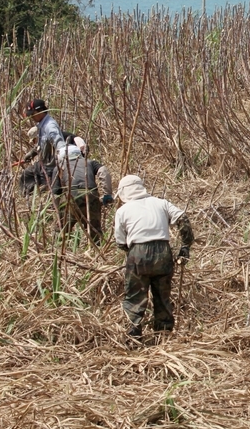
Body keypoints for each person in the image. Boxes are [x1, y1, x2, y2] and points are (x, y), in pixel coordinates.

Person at [114, 175, 195, 340]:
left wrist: (133, 254)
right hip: (163, 253)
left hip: (138, 253)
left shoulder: (123, 211)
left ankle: (133, 337)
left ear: (123, 192)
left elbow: (120, 242)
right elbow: (183, 219)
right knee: (162, 296)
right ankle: (163, 335)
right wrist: (185, 246)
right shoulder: (161, 203)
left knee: (135, 298)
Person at [52, 144, 113, 246]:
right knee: (95, 229)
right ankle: (97, 249)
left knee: (61, 229)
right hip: (91, 194)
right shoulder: (89, 162)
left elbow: (55, 193)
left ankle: (59, 248)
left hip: (71, 196)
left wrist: (58, 212)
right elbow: (104, 171)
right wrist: (107, 194)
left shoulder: (59, 167)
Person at [17, 98, 67, 194]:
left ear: (40, 111)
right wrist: (33, 153)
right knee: (26, 175)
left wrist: (62, 165)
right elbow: (43, 143)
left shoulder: (50, 126)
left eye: (32, 114)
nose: (31, 117)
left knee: (48, 190)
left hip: (50, 167)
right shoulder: (42, 125)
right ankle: (31, 195)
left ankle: (42, 194)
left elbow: (60, 145)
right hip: (43, 164)